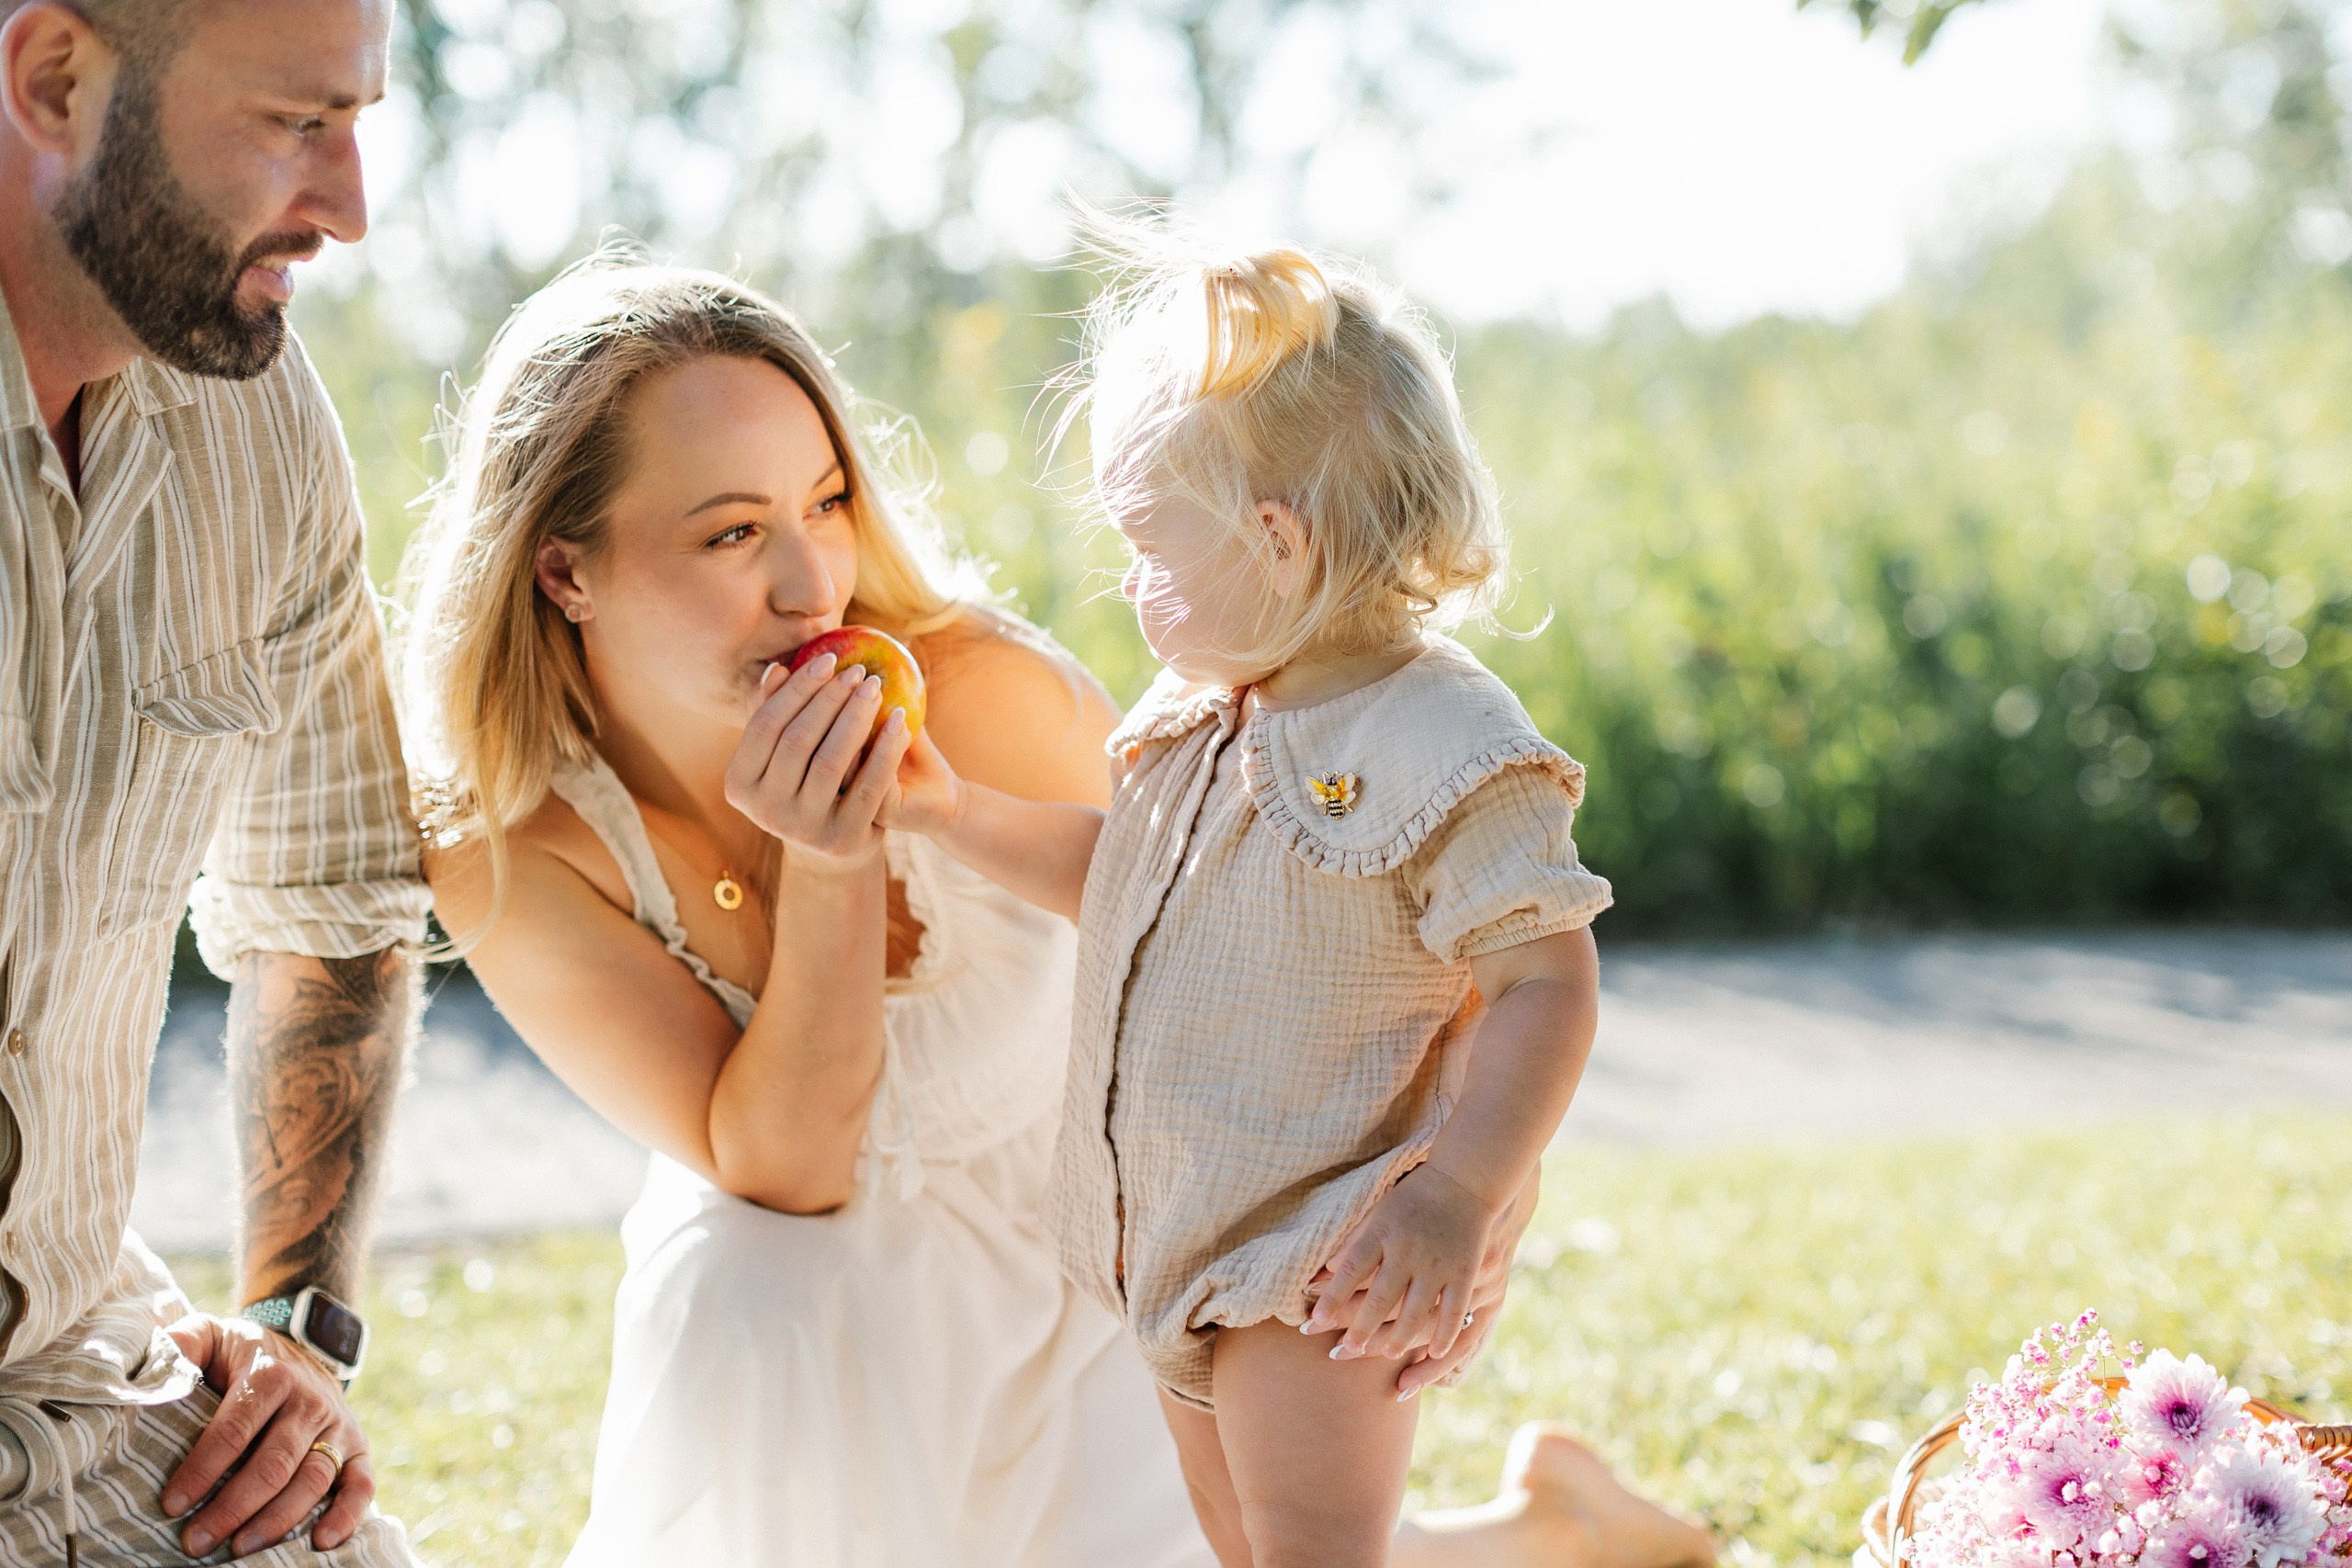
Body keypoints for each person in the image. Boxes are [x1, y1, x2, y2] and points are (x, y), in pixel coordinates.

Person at [408, 256, 1714, 1568]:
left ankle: (1546, 1530)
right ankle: (1540, 1528)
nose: (814, 590)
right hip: (826, 1323)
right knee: (752, 1279)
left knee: (1298, 1535)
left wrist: (1479, 1186)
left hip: (1113, 1254)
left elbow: (1349, 943)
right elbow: (789, 1169)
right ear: (565, 570)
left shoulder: (986, 691)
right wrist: (844, 855)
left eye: (828, 504)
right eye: (733, 533)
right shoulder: (512, 849)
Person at [884, 226, 1614, 1567]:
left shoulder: (1445, 740)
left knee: (1310, 1542)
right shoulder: (1203, 711)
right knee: (1235, 1538)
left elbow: (1543, 979)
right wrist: (948, 809)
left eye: (1148, 545)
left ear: (1276, 544)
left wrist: (1456, 1195)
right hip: (1171, 1225)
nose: (1128, 579)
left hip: (1326, 1243)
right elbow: (1119, 880)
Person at [0, 0, 429, 1563]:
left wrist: (291, 1326)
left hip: (81, 1373)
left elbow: (335, 892)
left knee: (344, 1549)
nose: (351, 209)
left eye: (360, 119)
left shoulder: (261, 424)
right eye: (292, 125)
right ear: (56, 79)